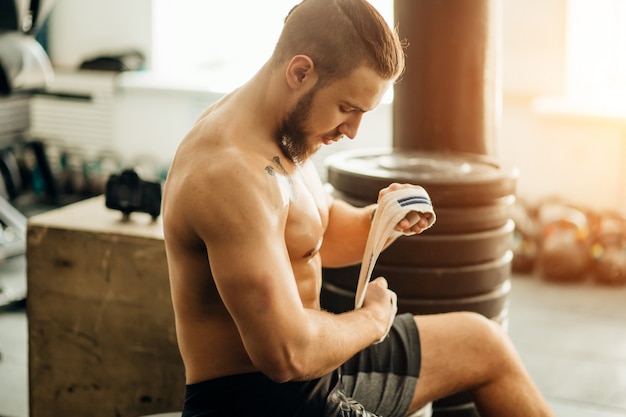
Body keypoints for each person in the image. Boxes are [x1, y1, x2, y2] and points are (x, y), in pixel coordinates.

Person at [162, 0, 556, 416]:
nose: (351, 131)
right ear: (299, 72)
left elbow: (318, 234)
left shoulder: (283, 131)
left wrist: (383, 219)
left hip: (319, 374)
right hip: (261, 401)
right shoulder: (228, 174)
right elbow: (286, 354)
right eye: (347, 108)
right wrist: (371, 320)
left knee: (482, 343)